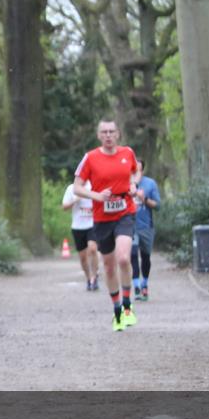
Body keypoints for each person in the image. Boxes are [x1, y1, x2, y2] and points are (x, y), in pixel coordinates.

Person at [73, 120, 139, 332]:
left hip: (125, 212)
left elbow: (135, 171)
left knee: (123, 258)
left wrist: (133, 184)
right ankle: (117, 310)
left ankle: (128, 307)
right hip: (101, 217)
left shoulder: (127, 152)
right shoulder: (90, 158)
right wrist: (96, 196)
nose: (108, 135)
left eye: (112, 131)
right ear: (99, 135)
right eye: (104, 132)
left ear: (118, 134)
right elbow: (77, 187)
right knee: (109, 265)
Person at [130, 159, 161, 301]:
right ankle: (135, 284)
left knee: (145, 257)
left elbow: (158, 205)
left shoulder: (150, 184)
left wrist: (144, 199)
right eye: (133, 170)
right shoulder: (125, 184)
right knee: (132, 253)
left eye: (138, 170)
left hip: (146, 226)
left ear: (142, 171)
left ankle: (144, 284)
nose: (135, 172)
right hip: (129, 225)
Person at [62, 180, 100, 290]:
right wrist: (75, 200)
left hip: (93, 224)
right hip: (78, 227)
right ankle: (89, 278)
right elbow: (64, 207)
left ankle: (95, 276)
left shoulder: (94, 186)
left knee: (93, 249)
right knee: (83, 257)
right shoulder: (71, 188)